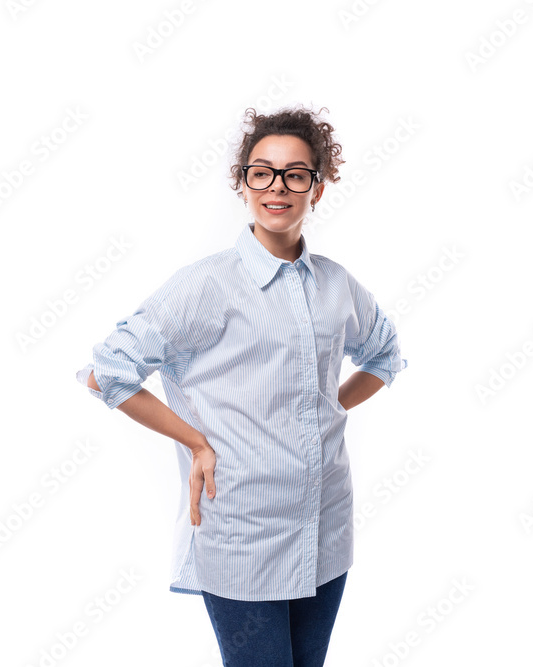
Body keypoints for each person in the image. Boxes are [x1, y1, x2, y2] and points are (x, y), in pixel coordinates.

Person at [75, 104, 408, 666]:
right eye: (262, 171)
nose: (277, 187)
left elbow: (384, 356)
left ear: (316, 189)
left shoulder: (335, 284)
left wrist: (329, 406)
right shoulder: (207, 285)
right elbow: (105, 372)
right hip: (241, 533)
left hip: (324, 526)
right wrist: (197, 442)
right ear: (244, 183)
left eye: (295, 174)